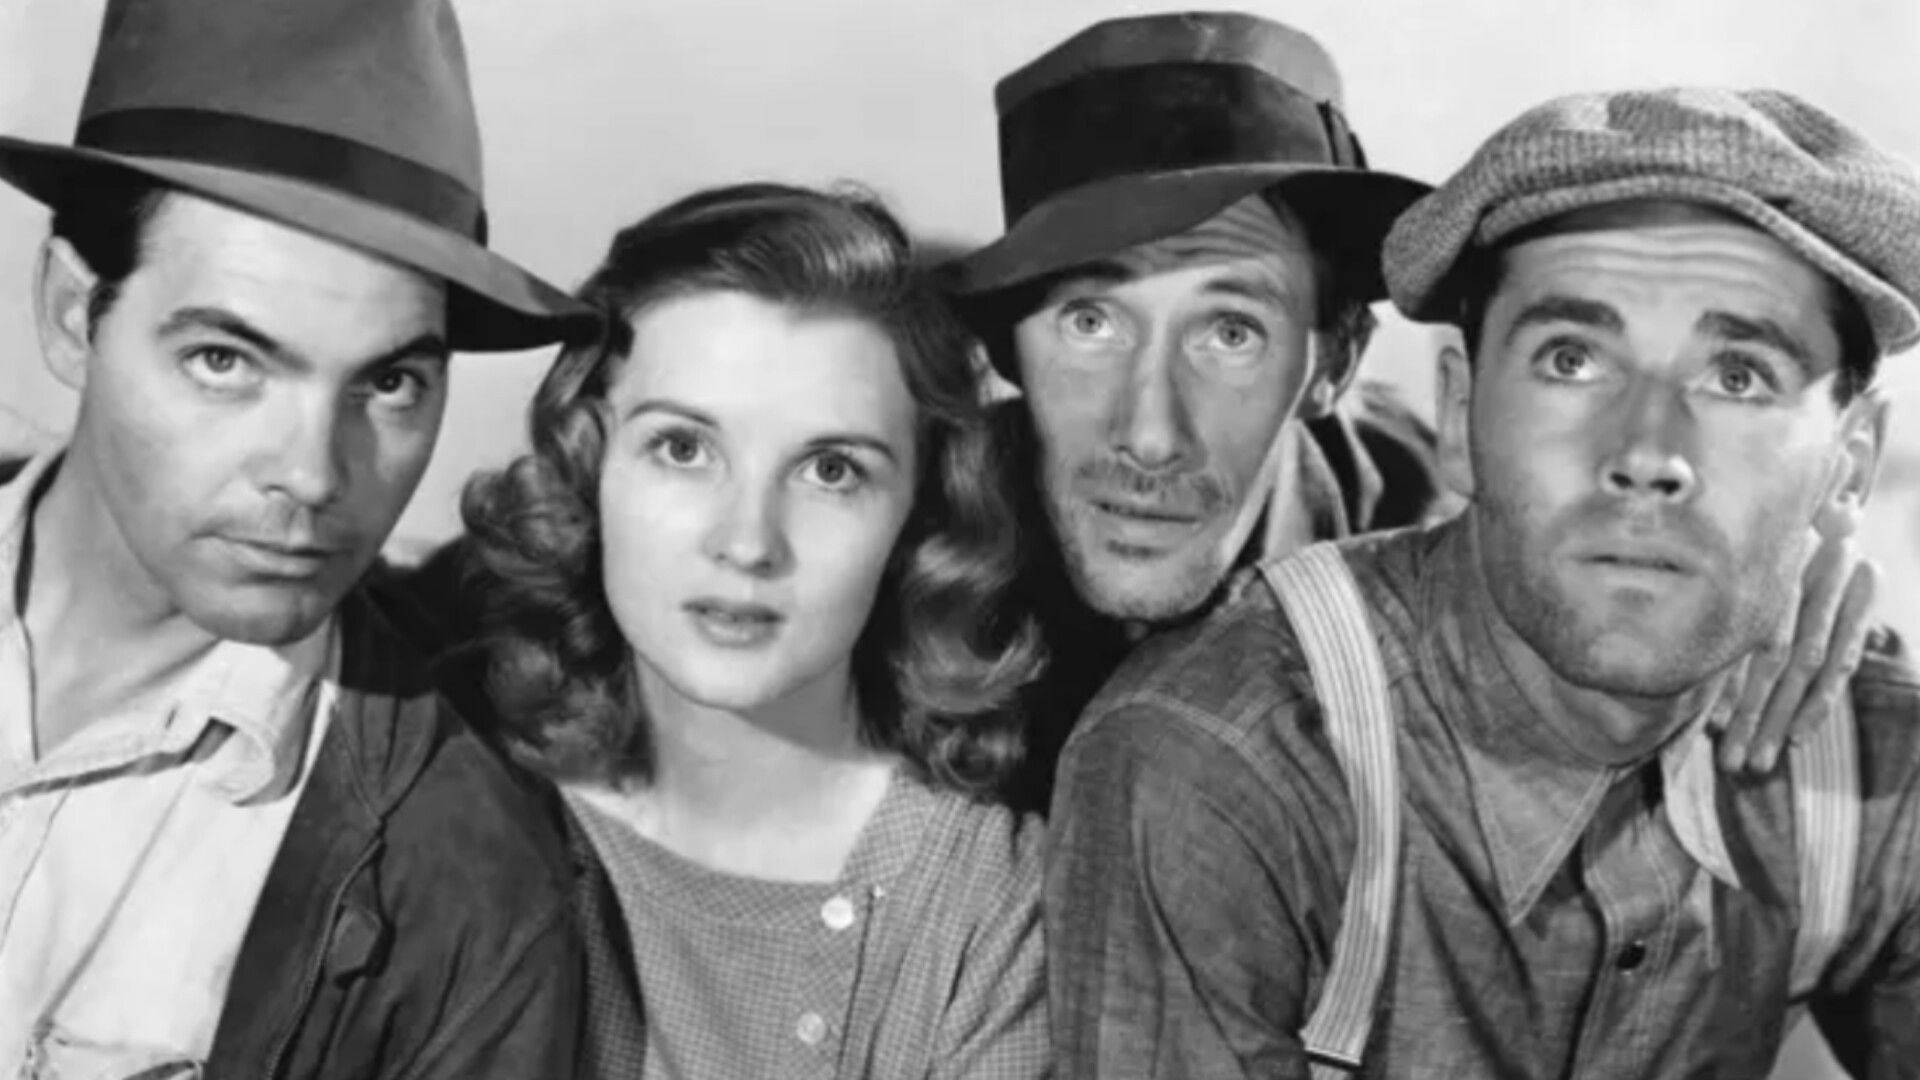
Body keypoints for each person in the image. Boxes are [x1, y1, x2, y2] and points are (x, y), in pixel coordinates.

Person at [1046, 86, 1920, 1078]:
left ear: (1848, 464)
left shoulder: (1871, 759)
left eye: (1737, 378)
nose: (1647, 454)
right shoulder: (1223, 760)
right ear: (1460, 416)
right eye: (1572, 359)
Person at [940, 12, 1868, 813]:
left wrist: (1768, 575)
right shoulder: (911, 544)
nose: (1150, 434)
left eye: (1230, 332)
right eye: (1091, 322)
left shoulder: (1431, 511)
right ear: (1006, 347)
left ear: (1332, 363)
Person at [0, 1, 596, 1075]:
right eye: (226, 361)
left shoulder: (464, 899)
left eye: (390, 382)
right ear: (70, 315)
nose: (315, 476)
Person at [455, 183, 1051, 1079]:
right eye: (683, 449)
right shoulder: (453, 785)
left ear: (918, 519)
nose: (747, 542)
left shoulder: (987, 909)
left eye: (831, 470)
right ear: (589, 463)